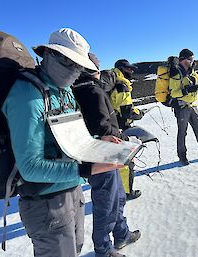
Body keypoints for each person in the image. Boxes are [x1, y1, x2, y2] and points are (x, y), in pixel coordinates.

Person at [1, 28, 120, 257]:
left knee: (74, 250)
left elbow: (70, 139)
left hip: (72, 192)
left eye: (80, 66)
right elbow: (30, 167)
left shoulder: (64, 91)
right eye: (70, 63)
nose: (76, 72)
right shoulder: (27, 97)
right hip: (45, 203)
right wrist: (88, 168)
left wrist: (99, 141)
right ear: (50, 56)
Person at [73, 55, 141, 257]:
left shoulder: (78, 88)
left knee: (118, 198)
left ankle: (122, 234)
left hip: (99, 155)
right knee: (106, 205)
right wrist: (126, 142)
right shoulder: (92, 90)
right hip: (103, 156)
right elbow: (103, 128)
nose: (100, 70)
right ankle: (103, 250)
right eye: (97, 66)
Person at [109, 59, 144, 200]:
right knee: (126, 162)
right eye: (129, 69)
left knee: (116, 161)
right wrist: (139, 114)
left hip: (112, 126)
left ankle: (117, 190)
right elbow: (126, 111)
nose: (132, 71)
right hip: (121, 128)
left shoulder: (113, 82)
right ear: (122, 69)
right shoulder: (121, 85)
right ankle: (126, 193)